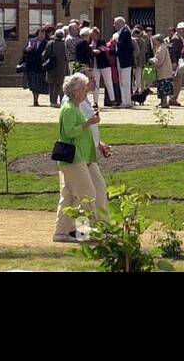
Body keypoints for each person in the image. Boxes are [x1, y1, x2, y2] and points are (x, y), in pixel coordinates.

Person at [52, 73, 110, 243]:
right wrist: (88, 123)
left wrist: (96, 140)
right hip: (74, 158)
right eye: (83, 88)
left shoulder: (76, 106)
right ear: (75, 91)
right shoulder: (69, 108)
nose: (86, 91)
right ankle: (85, 232)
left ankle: (62, 233)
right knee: (87, 195)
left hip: (82, 157)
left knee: (71, 196)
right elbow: (70, 132)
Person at [111, 17, 135, 109]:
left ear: (120, 23)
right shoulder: (122, 32)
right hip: (121, 59)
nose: (114, 25)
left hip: (125, 60)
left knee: (125, 81)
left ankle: (126, 101)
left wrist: (116, 42)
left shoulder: (125, 32)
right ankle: (125, 100)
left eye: (115, 23)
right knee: (122, 80)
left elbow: (125, 45)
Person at [88, 27, 115, 106]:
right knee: (95, 83)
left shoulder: (102, 41)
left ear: (98, 35)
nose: (92, 37)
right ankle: (95, 101)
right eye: (91, 35)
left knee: (108, 82)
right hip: (95, 66)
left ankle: (112, 100)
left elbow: (103, 50)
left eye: (94, 35)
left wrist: (97, 50)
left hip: (104, 65)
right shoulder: (90, 42)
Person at [46, 27, 71, 107]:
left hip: (51, 67)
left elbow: (45, 54)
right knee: (59, 85)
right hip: (61, 67)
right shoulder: (64, 44)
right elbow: (67, 56)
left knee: (51, 85)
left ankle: (52, 102)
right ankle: (60, 100)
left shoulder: (50, 43)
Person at [150, 33, 176, 108]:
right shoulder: (161, 47)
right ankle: (162, 102)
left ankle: (164, 103)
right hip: (164, 71)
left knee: (163, 87)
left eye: (155, 40)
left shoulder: (162, 48)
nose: (154, 42)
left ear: (158, 40)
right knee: (162, 87)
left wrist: (152, 60)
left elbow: (160, 60)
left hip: (164, 71)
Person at [23, 28, 48, 106]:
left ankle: (36, 99)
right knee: (33, 84)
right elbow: (24, 51)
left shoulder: (46, 43)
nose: (42, 35)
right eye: (41, 33)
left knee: (38, 84)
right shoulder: (31, 41)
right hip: (32, 66)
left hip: (41, 66)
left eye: (43, 34)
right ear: (37, 34)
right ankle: (35, 99)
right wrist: (27, 49)